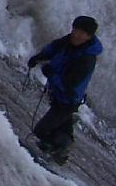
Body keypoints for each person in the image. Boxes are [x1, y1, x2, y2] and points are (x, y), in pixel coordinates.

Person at [26, 15, 103, 164]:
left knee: (42, 130)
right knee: (61, 126)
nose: (76, 34)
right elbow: (53, 48)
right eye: (75, 30)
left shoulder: (86, 59)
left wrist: (52, 74)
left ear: (89, 36)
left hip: (68, 99)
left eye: (82, 33)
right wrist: (38, 58)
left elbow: (70, 83)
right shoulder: (68, 42)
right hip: (59, 95)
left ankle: (55, 148)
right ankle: (59, 151)